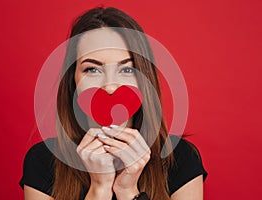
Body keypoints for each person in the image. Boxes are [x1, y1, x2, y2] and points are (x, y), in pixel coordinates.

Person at [19, 6, 207, 200]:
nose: (109, 86)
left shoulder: (181, 158)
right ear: (72, 80)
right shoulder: (42, 161)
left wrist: (128, 191)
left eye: (127, 70)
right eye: (92, 69)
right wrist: (99, 189)